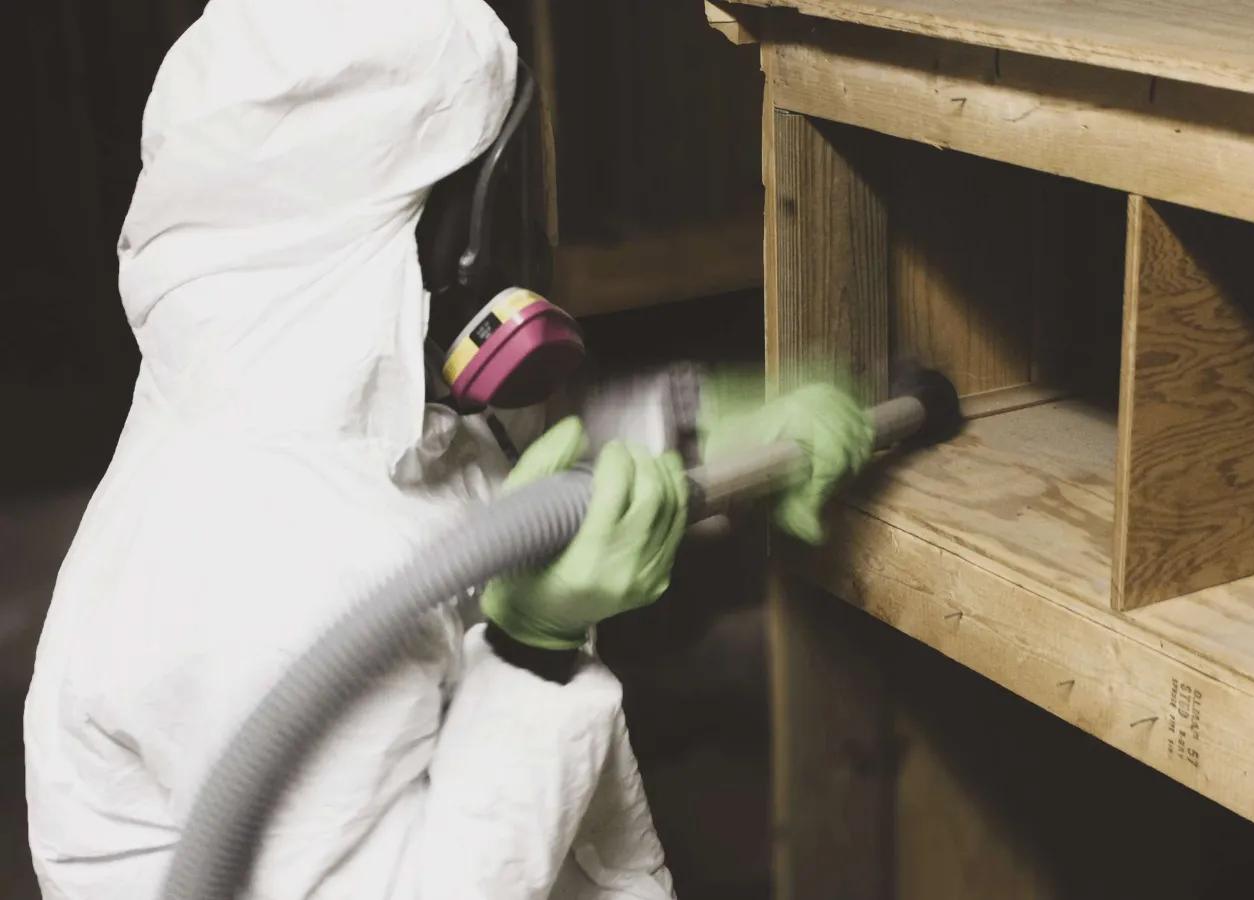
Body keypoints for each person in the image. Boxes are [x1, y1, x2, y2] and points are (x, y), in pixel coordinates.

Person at [21, 1, 873, 897]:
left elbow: (464, 470)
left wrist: (700, 425)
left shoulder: (318, 401)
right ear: (441, 244)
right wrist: (532, 652)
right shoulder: (251, 578)